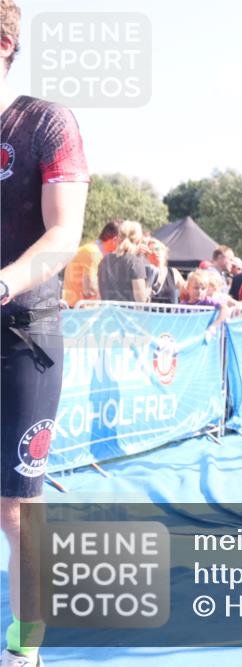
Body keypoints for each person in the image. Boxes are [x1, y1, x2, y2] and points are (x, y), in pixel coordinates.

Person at [1, 3, 90, 664]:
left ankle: (27, 637)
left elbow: (63, 235)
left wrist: (3, 281)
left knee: (15, 509)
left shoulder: (47, 123)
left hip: (24, 336)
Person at [61, 219, 119, 307]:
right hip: (77, 311)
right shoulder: (93, 252)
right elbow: (90, 290)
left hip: (81, 309)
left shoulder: (96, 250)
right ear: (115, 240)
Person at [97, 220, 150, 303]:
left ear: (118, 238)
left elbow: (99, 294)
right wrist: (150, 286)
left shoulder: (104, 260)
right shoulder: (135, 261)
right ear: (139, 240)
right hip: (128, 314)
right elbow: (141, 299)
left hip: (107, 313)